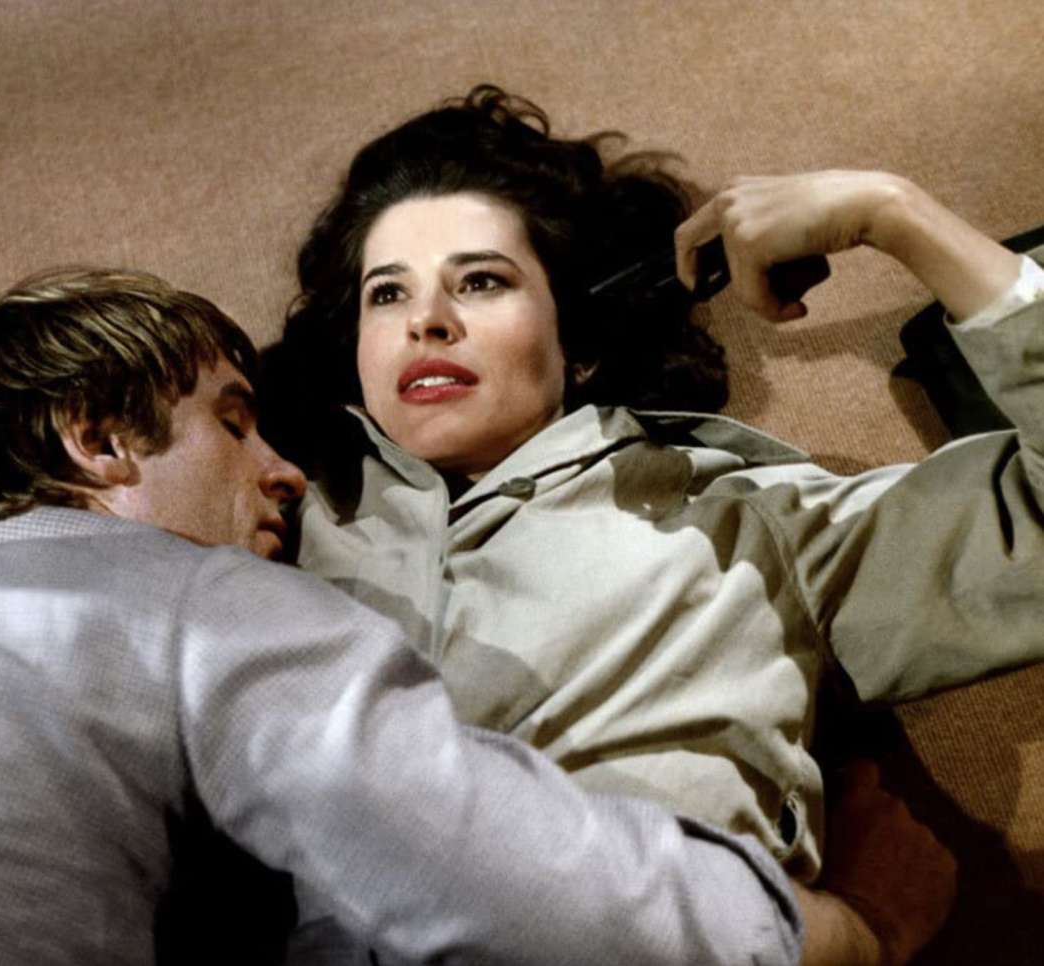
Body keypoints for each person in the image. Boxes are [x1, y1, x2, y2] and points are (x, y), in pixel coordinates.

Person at [0, 265, 902, 966]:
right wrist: (851, 929)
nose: (286, 473)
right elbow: (509, 883)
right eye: (231, 422)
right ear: (97, 439)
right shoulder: (191, 604)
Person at [262, 85, 1044, 958]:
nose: (426, 321)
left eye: (481, 281)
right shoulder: (275, 517)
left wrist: (894, 213)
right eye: (386, 295)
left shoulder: (738, 527)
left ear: (581, 347)